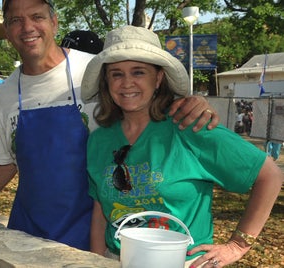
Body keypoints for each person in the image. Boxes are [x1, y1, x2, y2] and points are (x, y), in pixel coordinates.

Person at [0, 0, 220, 251]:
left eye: (37, 16)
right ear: (7, 30)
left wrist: (189, 103)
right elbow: (3, 164)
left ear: (54, 22)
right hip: (27, 232)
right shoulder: (5, 93)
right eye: (15, 20)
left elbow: (145, 106)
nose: (27, 27)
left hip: (95, 230)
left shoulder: (97, 72)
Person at [82, 25, 283, 267]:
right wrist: (96, 261)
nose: (126, 83)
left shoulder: (189, 126)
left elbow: (269, 174)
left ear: (158, 78)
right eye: (116, 74)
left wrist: (238, 244)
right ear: (106, 80)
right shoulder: (99, 139)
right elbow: (100, 211)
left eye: (138, 72)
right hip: (116, 260)